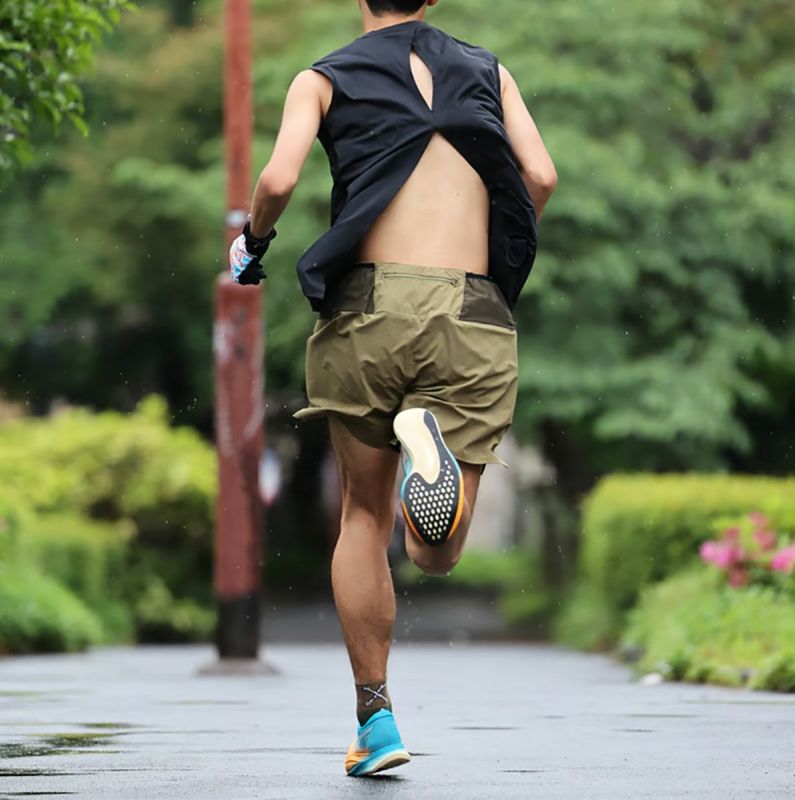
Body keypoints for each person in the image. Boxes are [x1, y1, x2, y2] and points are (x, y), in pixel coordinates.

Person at [229, 0, 557, 778]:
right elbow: (541, 175)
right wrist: (501, 240)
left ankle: (376, 720)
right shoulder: (490, 71)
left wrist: (253, 240)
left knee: (362, 515)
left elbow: (278, 177)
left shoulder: (322, 78)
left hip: (368, 308)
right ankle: (428, 462)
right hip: (473, 308)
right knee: (433, 555)